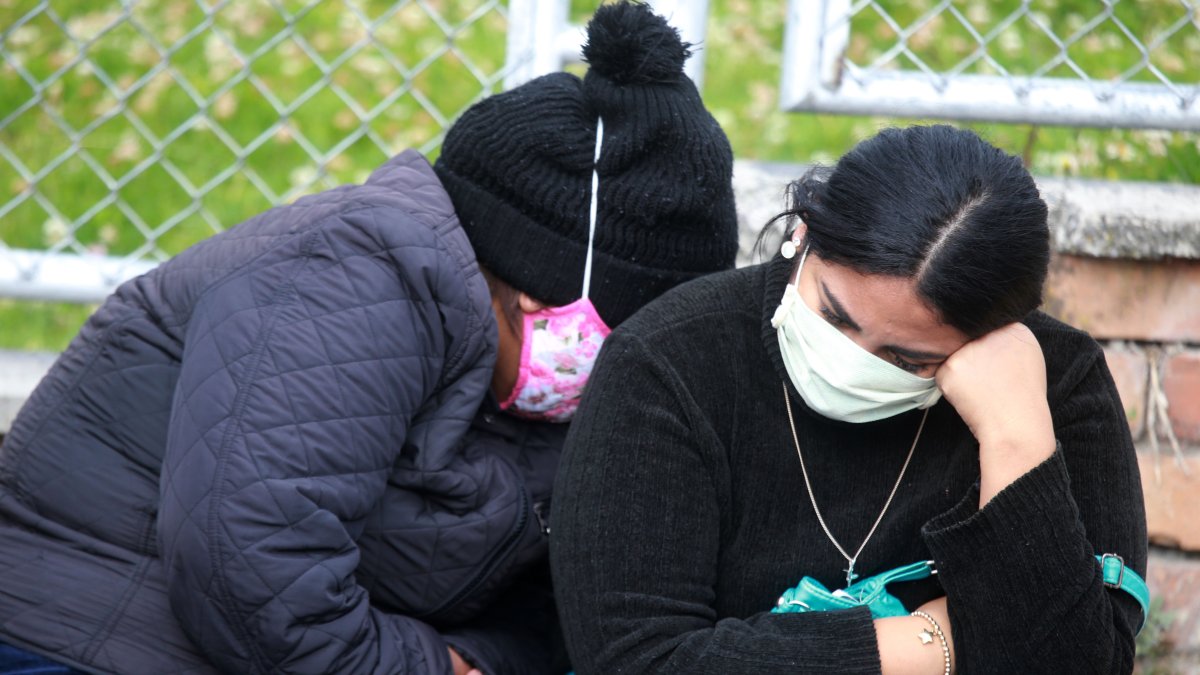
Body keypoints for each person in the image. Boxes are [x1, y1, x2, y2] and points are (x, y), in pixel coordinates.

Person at [0, 3, 738, 673]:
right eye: (615, 331)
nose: (619, 363)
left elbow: (553, 605)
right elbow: (249, 561)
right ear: (525, 279)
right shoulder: (358, 270)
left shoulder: (533, 389)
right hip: (83, 636)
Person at [550, 125, 1148, 674]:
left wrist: (1016, 442)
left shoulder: (1055, 382)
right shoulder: (671, 362)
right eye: (834, 315)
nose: (851, 360)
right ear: (803, 233)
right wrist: (935, 642)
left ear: (990, 338)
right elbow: (635, 661)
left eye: (907, 359)